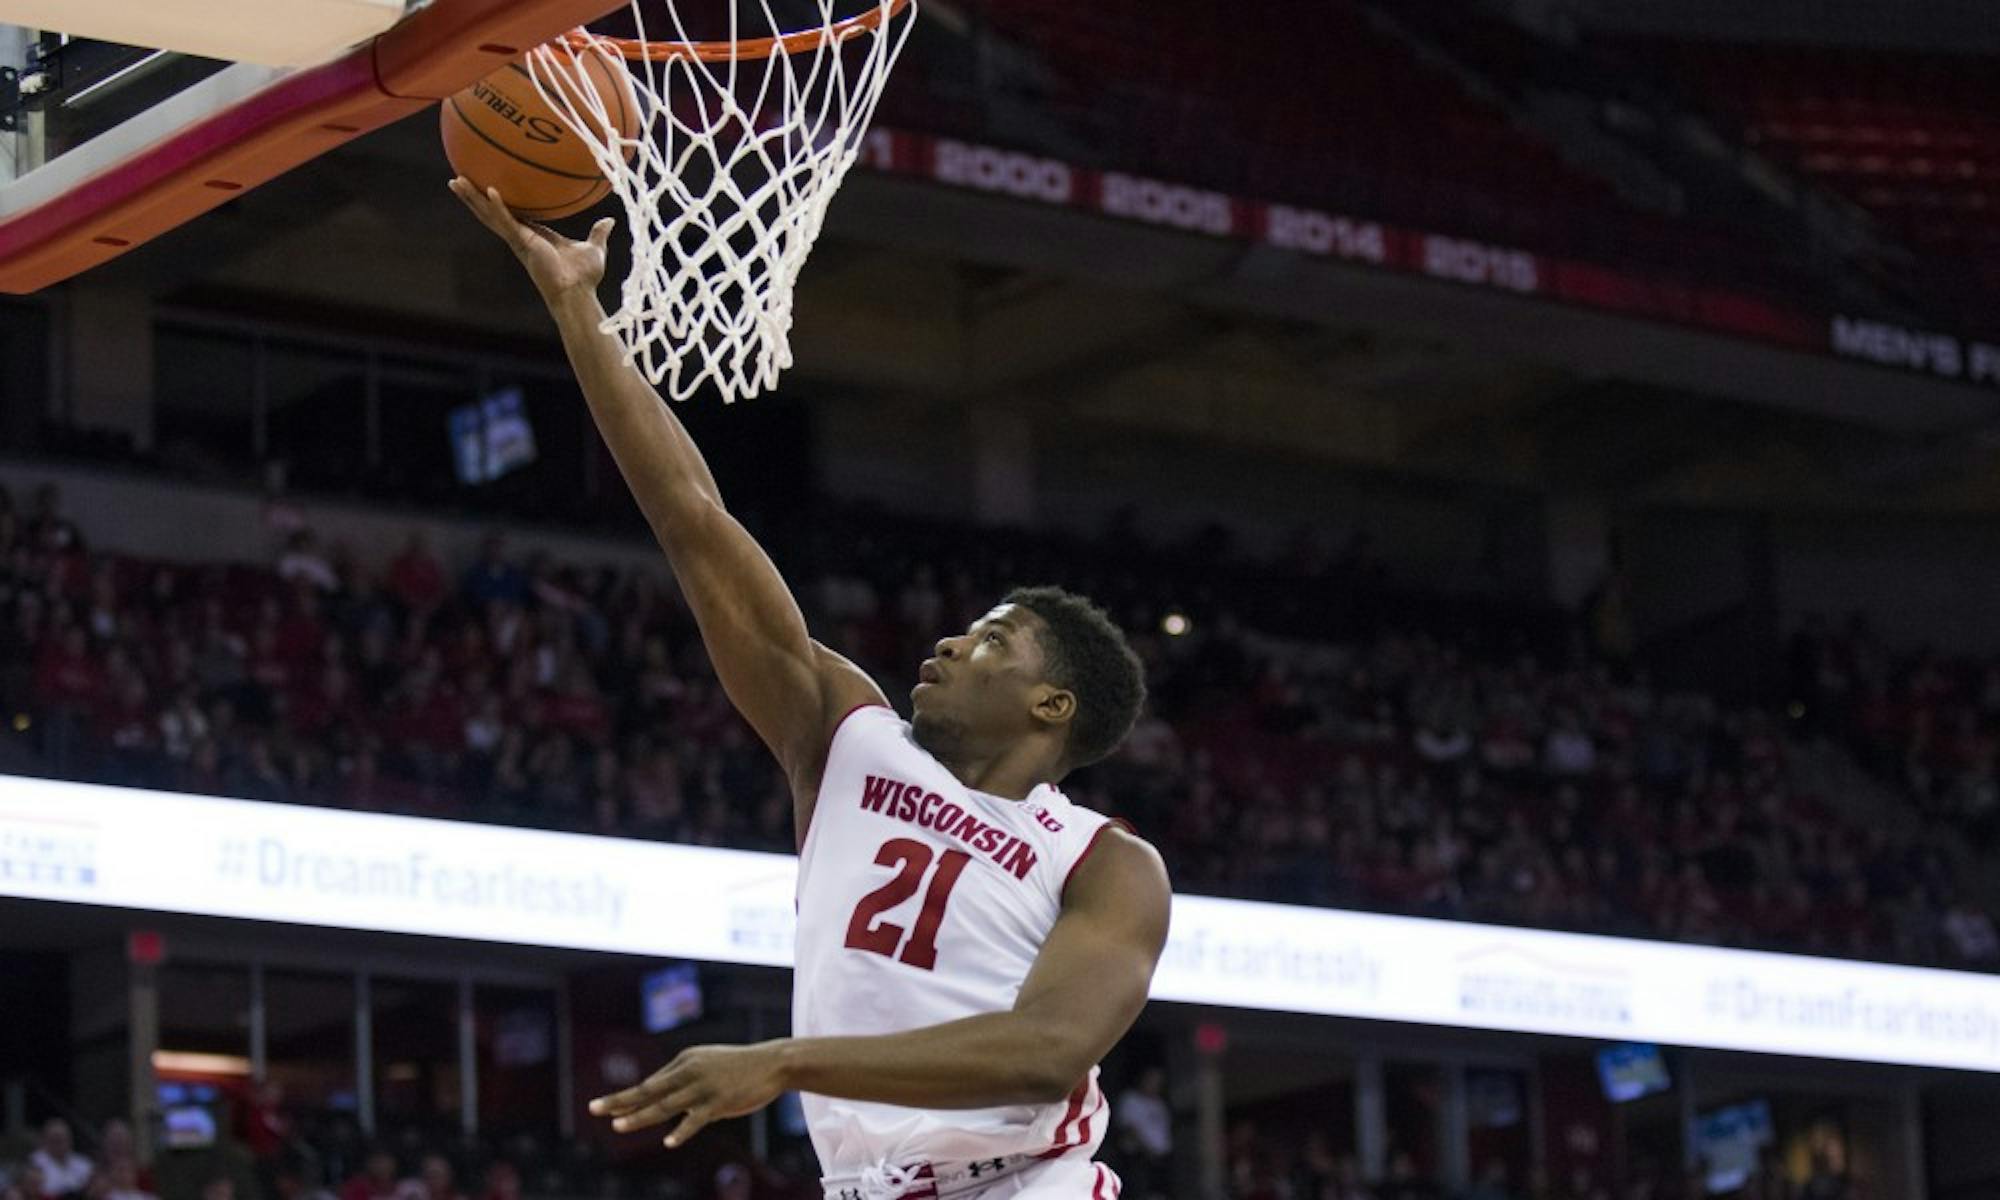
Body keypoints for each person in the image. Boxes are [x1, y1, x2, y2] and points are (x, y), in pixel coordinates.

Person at [452, 179, 1171, 1200]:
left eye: (990, 642)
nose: (948, 646)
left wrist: (782, 1060)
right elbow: (691, 517)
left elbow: (1044, 1050)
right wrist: (576, 309)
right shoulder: (844, 736)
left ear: (1052, 706)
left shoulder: (1104, 863)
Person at [30, 1121, 92, 1200]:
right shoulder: (35, 1162)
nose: (58, 1144)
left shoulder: (83, 1163)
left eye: (61, 1140)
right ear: (45, 1140)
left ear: (70, 1141)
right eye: (54, 1140)